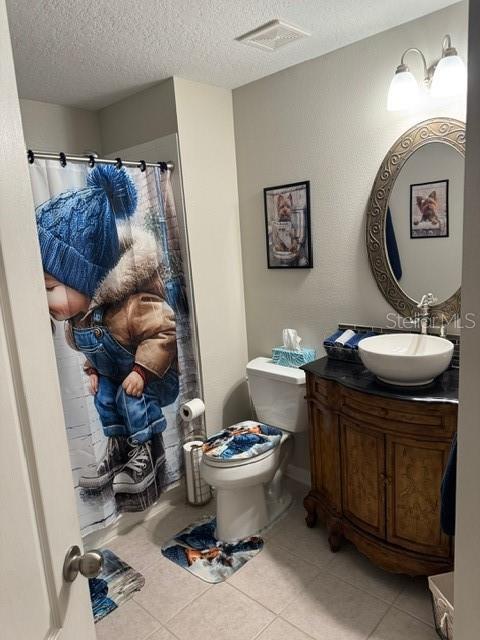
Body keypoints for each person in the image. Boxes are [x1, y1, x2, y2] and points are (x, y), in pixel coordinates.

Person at [36, 164, 179, 494]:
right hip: (116, 373)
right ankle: (118, 447)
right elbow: (98, 349)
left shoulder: (130, 302)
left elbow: (164, 330)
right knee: (104, 396)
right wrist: (92, 369)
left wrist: (142, 371)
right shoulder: (82, 317)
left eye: (49, 288)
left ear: (81, 279)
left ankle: (145, 449)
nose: (44, 300)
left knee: (127, 397)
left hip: (152, 376)